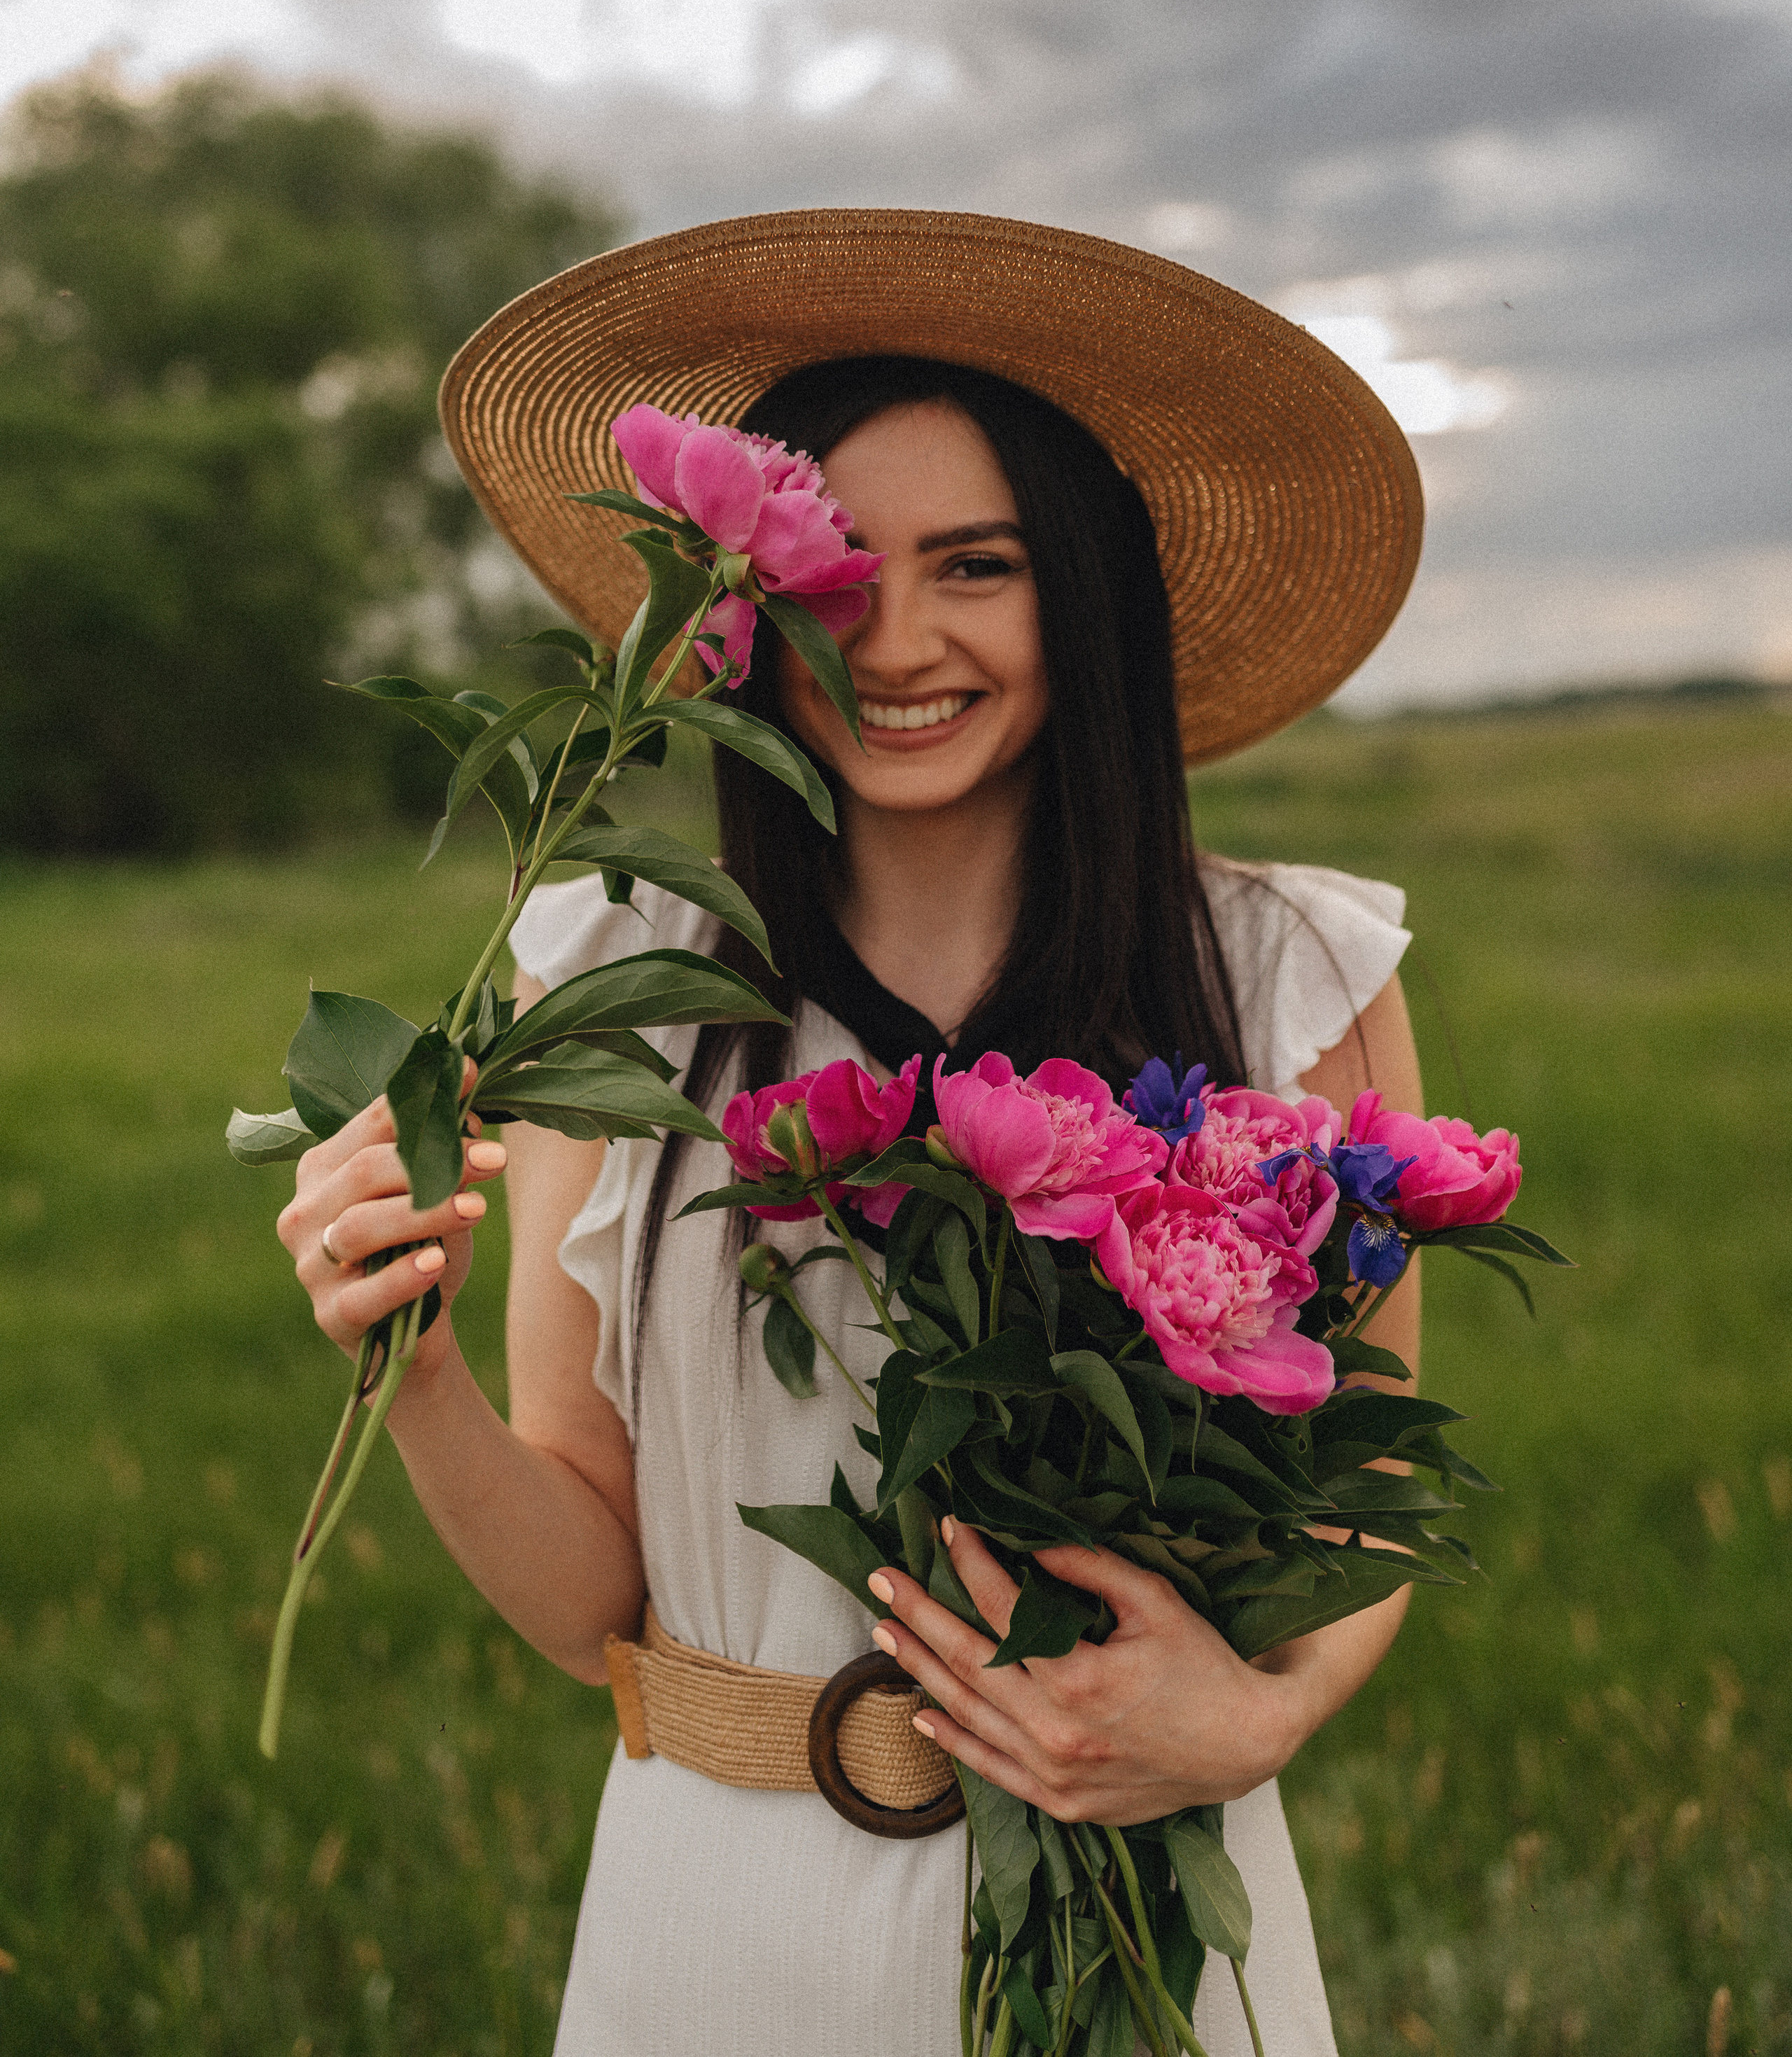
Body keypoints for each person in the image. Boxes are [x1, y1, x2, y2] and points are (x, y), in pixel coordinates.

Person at [279, 210, 1429, 2056]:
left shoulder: (1286, 972)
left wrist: (1261, 1714)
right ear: (738, 604)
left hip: (1144, 1903)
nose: (896, 640)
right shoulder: (619, 977)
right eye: (839, 571)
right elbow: (591, 1594)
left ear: (1085, 592)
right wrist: (407, 1365)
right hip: (720, 1921)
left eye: (980, 565)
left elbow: (1365, 1482)